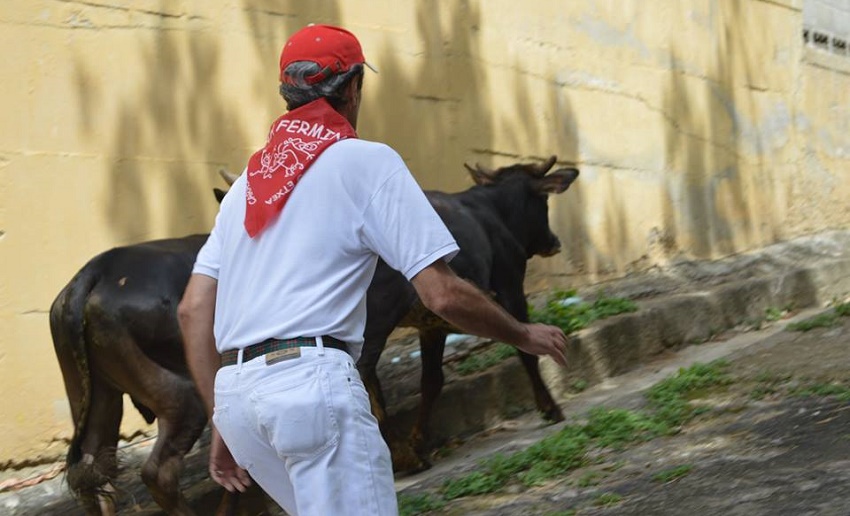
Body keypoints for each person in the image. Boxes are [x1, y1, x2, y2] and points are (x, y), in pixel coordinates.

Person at [178, 23, 568, 516]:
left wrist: (223, 417)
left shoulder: (242, 190)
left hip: (238, 400)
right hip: (310, 390)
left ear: (289, 93)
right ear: (354, 87)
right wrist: (521, 333)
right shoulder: (366, 162)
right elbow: (442, 294)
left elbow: (193, 311)